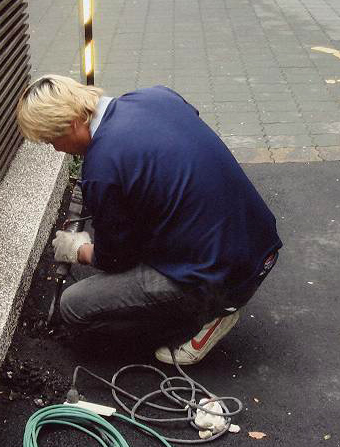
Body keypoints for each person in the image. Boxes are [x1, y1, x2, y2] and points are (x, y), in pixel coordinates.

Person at [15, 75, 282, 365]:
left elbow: (116, 260)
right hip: (258, 244)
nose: (56, 148)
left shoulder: (103, 167)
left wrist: (79, 249)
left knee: (75, 307)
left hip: (223, 277)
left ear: (72, 123)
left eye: (53, 139)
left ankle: (208, 317)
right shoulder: (155, 96)